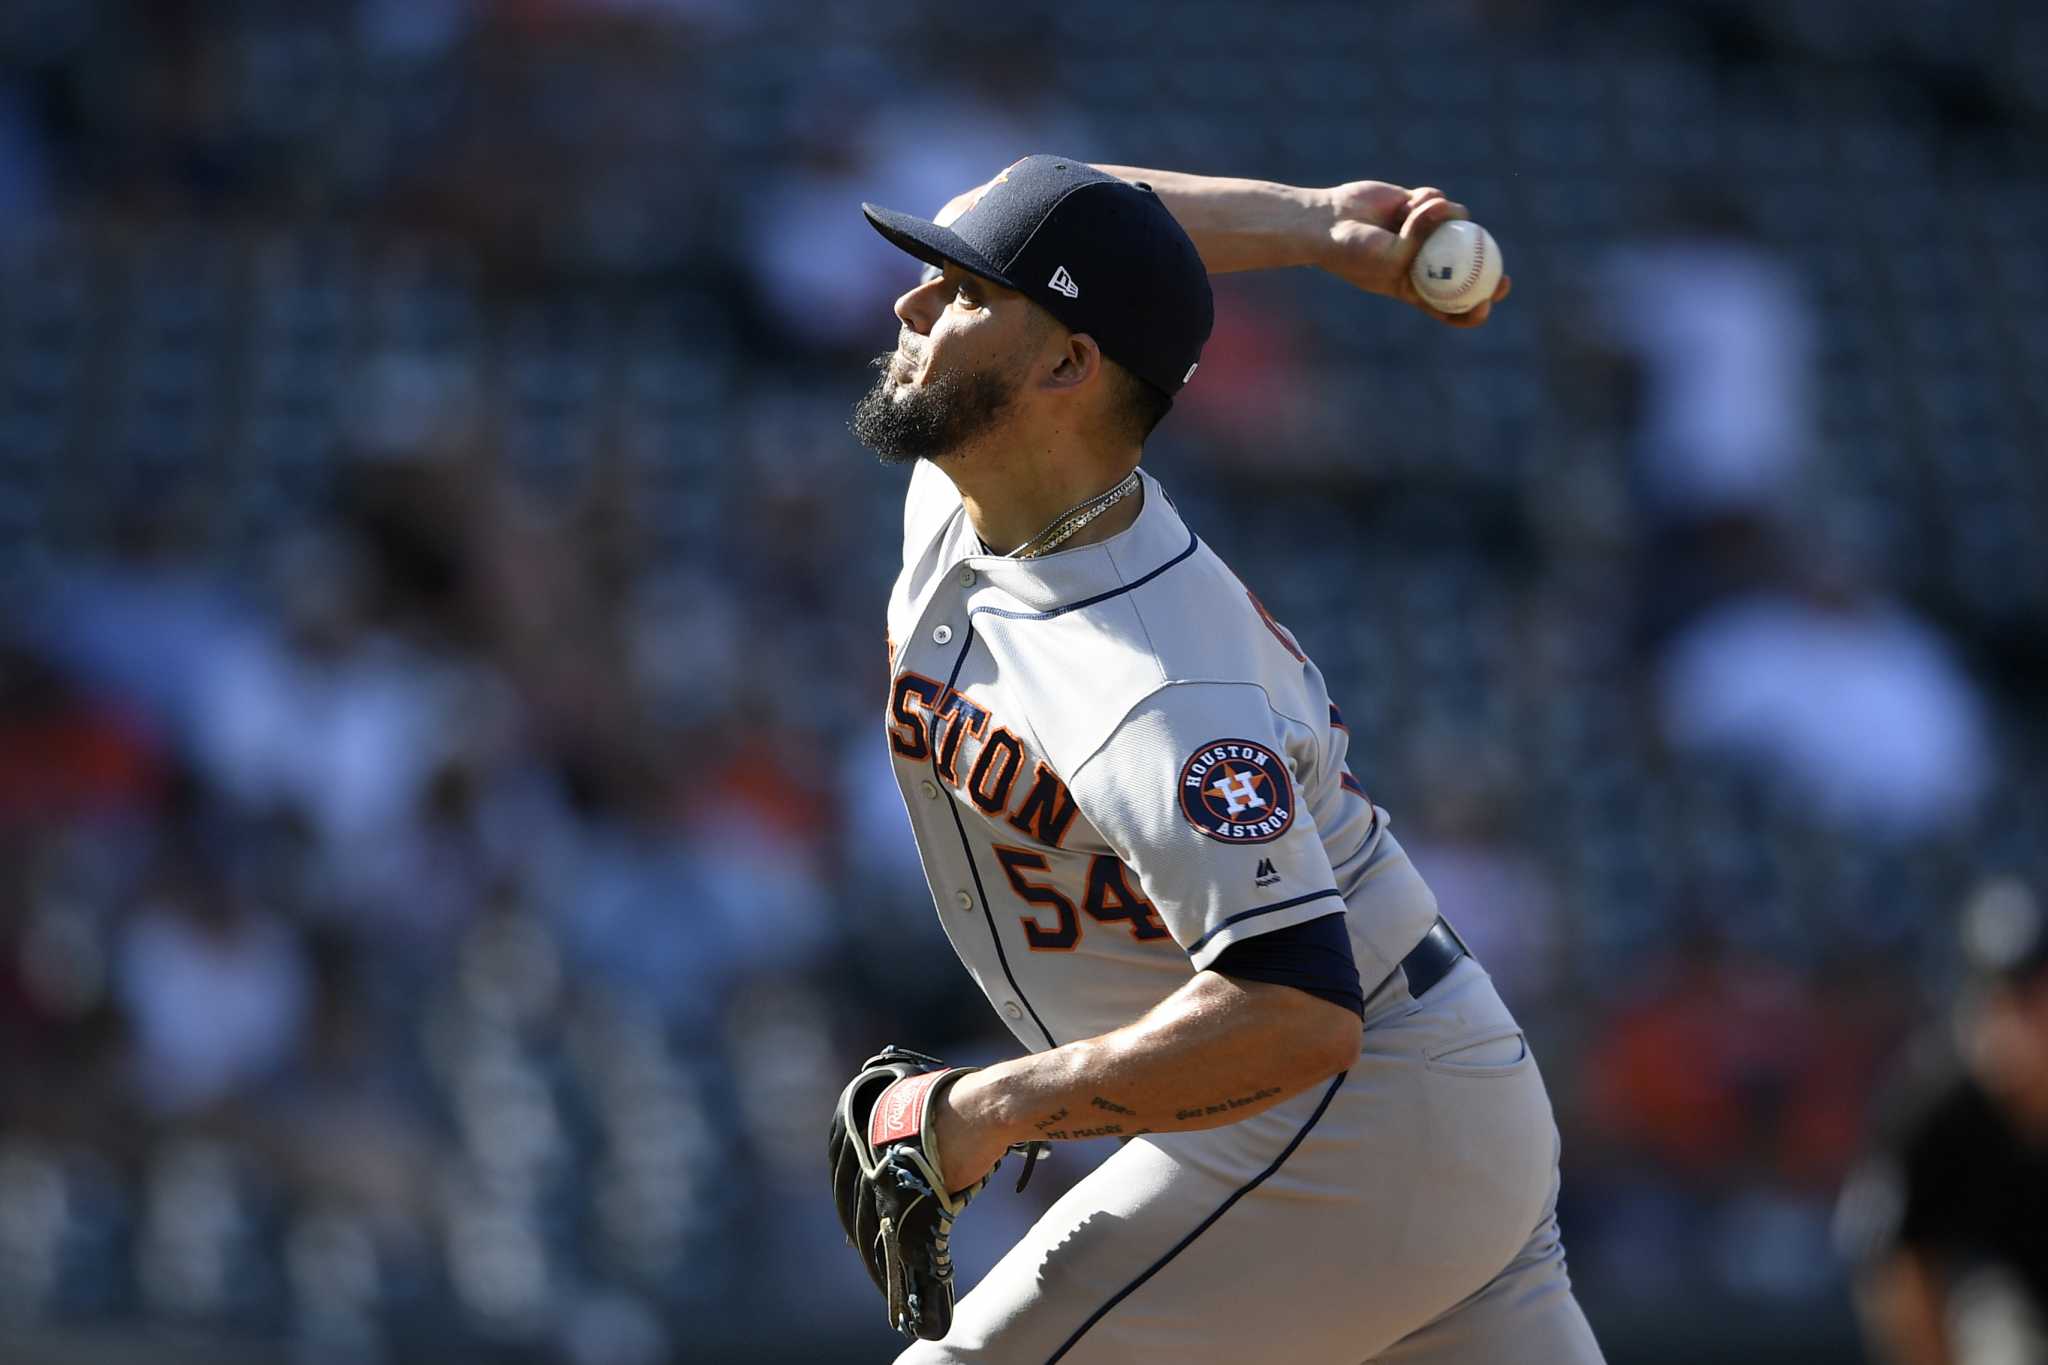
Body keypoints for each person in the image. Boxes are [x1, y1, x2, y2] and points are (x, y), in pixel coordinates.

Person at [849, 154, 1600, 1363]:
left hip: (1340, 1118)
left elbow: (1297, 1014)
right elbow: (1085, 211)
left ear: (1063, 367)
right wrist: (1312, 228)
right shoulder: (974, 485)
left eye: (962, 291)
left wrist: (985, 1108)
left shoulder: (1157, 686)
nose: (910, 304)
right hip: (1405, 1116)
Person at [1836, 878, 2048, 1365]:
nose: (2021, 1021)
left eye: (2034, 998)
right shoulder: (1934, 1107)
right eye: (2005, 998)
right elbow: (1896, 1267)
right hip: (1999, 1313)